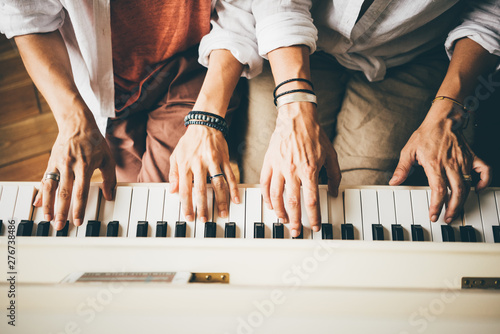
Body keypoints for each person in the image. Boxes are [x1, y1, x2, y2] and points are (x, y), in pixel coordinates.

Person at [197, 0, 499, 237]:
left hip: (412, 55)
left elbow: (489, 13)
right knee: (276, 194)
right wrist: (294, 107)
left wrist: (447, 113)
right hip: (289, 41)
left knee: (356, 211)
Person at [0, 0, 243, 228]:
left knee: (163, 205)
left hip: (194, 62)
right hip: (108, 86)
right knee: (122, 200)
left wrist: (207, 121)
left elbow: (240, 12)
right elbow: (28, 15)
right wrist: (74, 121)